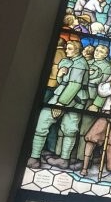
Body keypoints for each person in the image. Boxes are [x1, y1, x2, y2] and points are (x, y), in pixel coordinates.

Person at [27, 40, 89, 169]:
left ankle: (40, 158)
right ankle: (47, 158)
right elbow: (63, 82)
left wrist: (60, 104)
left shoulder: (81, 64)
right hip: (67, 96)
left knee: (57, 125)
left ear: (77, 50)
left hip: (70, 98)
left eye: (70, 48)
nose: (66, 50)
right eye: (67, 48)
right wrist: (60, 75)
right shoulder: (67, 61)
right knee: (65, 127)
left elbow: (74, 85)